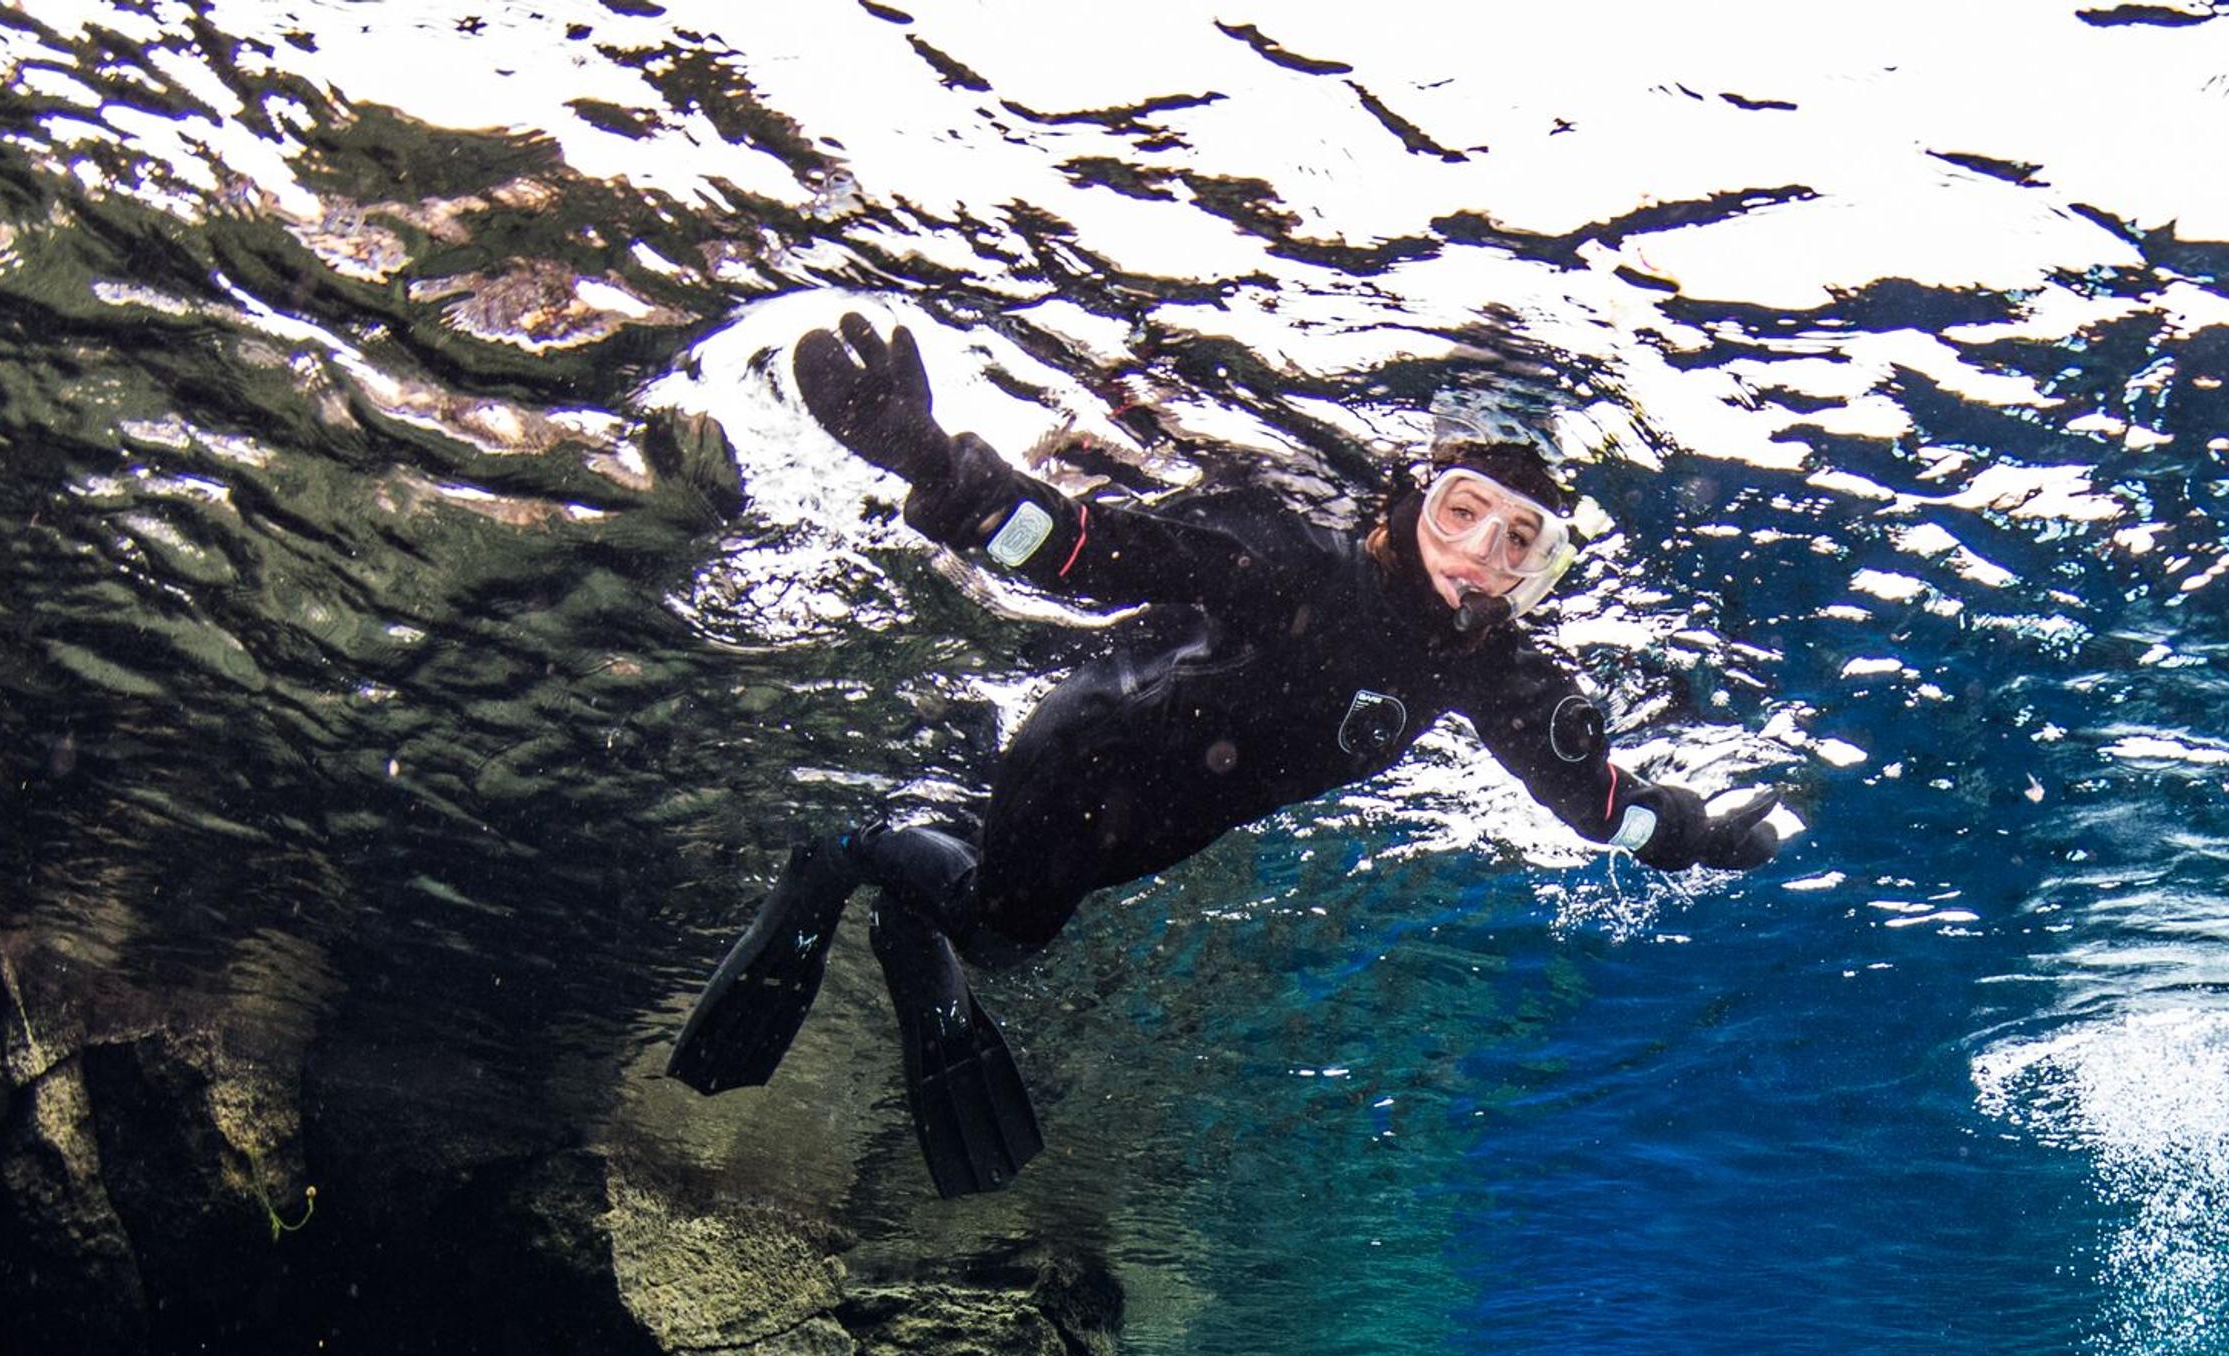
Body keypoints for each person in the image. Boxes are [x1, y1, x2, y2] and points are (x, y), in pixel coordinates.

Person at [669, 314, 1803, 1195]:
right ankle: (849, 855)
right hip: (1082, 770)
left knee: (1004, 928)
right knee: (1005, 930)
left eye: (1520, 541)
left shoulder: (1487, 668)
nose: (1481, 559)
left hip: (1164, 818)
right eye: (1463, 511)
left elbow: (1595, 800)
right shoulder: (1296, 563)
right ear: (1407, 499)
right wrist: (936, 461)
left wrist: (1698, 837)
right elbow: (1083, 548)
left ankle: (923, 874)